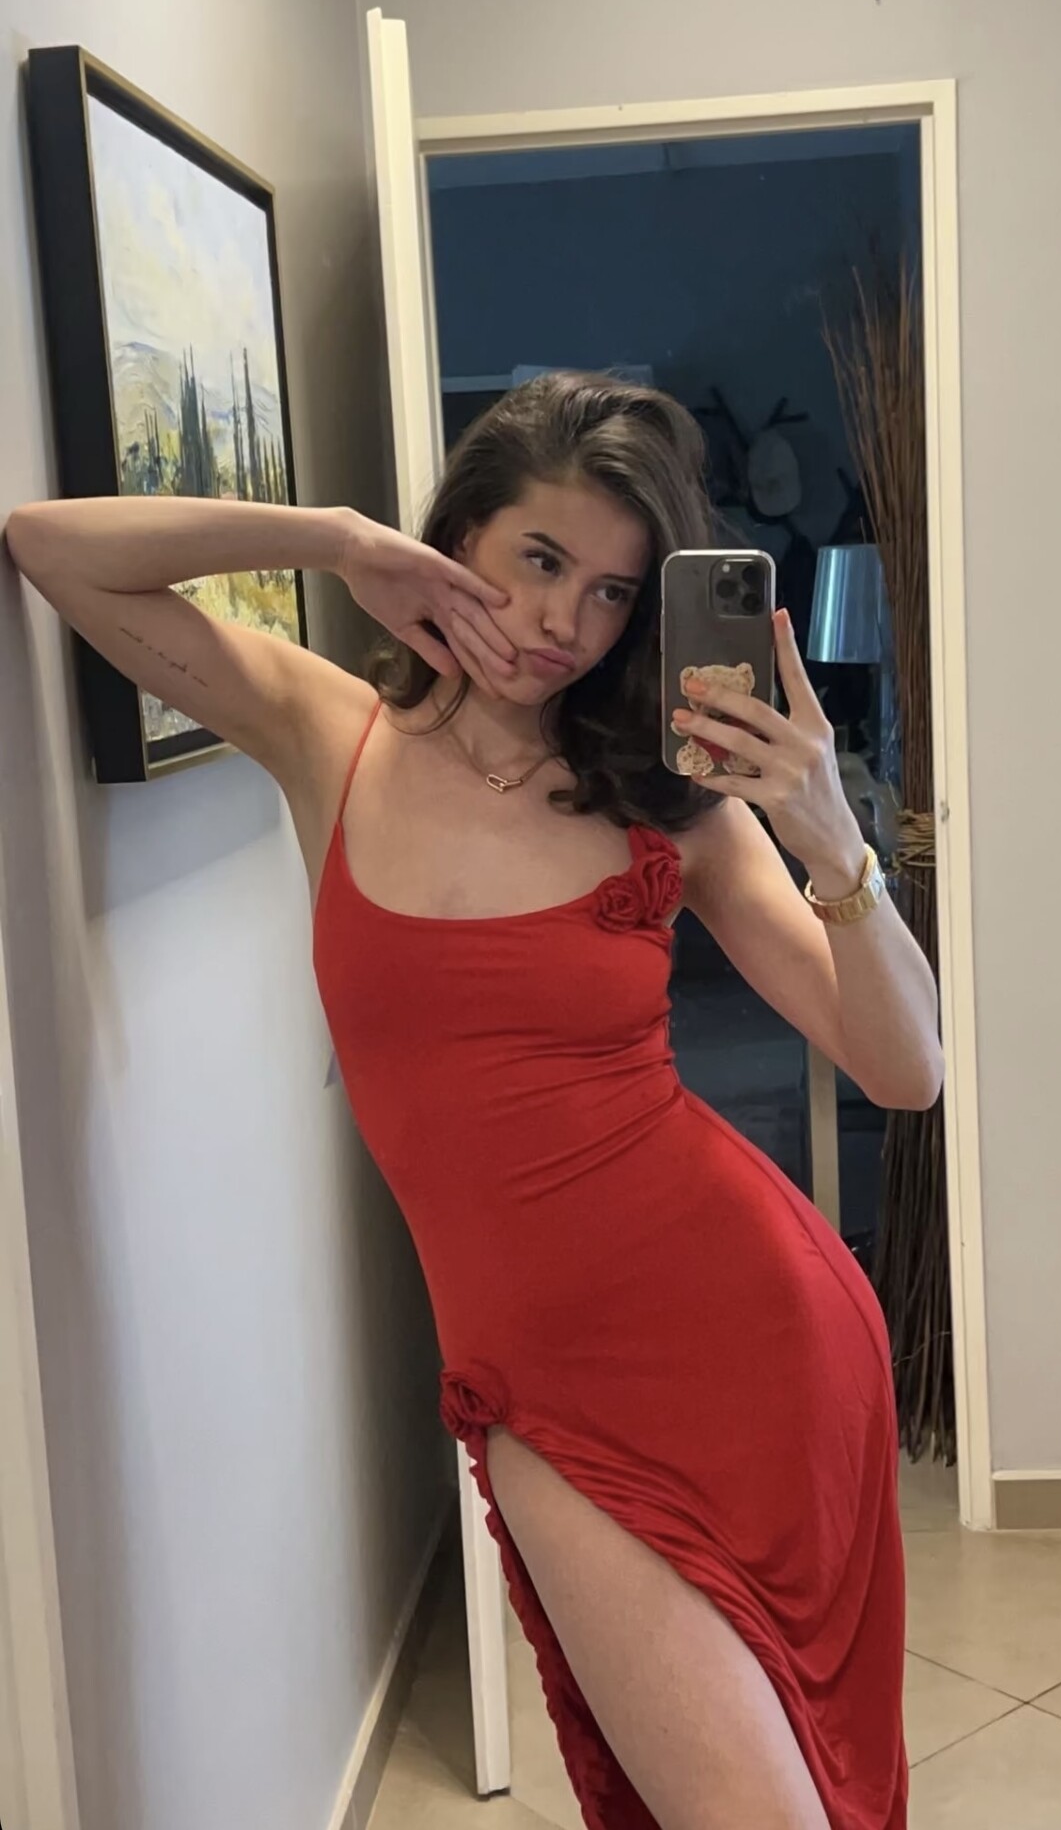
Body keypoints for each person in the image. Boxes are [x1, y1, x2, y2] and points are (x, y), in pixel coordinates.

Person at [6, 372, 942, 1830]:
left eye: (615, 593)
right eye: (540, 559)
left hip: (756, 1333)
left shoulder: (670, 800)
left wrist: (832, 846)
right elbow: (49, 545)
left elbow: (906, 1070)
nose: (568, 622)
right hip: (542, 1390)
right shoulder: (326, 731)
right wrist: (335, 540)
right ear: (458, 539)